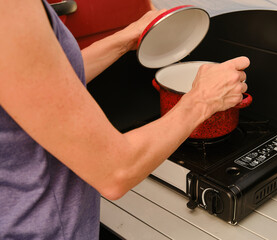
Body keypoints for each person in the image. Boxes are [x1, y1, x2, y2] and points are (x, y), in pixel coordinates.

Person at [0, 0, 249, 239]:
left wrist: (126, 39)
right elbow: (115, 172)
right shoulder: (10, 9)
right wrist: (203, 100)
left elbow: (37, 86)